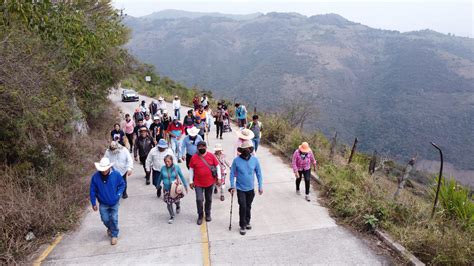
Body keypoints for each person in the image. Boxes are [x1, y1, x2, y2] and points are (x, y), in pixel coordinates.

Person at [229, 140, 263, 236]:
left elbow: (259, 174)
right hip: (240, 188)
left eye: (248, 149)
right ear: (241, 150)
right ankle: (242, 225)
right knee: (243, 206)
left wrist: (260, 186)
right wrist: (232, 185)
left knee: (248, 206)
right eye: (244, 149)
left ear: (250, 149)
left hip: (251, 188)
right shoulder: (236, 161)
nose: (246, 150)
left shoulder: (255, 160)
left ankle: (247, 221)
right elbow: (232, 174)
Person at [90, 157, 125, 245]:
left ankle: (114, 235)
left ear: (109, 167)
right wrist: (93, 203)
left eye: (105, 169)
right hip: (103, 203)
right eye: (102, 170)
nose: (104, 171)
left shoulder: (116, 175)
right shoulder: (95, 177)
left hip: (114, 202)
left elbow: (122, 184)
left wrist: (118, 194)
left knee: (114, 218)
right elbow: (92, 190)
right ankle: (111, 228)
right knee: (105, 219)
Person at [189, 141, 221, 225]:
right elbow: (191, 169)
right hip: (198, 183)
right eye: (200, 148)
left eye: (203, 147)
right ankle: (200, 215)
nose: (201, 149)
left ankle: (208, 214)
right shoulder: (194, 157)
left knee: (209, 199)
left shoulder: (211, 156)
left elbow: (217, 166)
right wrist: (190, 181)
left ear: (206, 147)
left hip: (210, 182)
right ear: (197, 148)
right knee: (199, 199)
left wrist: (219, 178)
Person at [157, 155, 189, 224]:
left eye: (168, 161)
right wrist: (158, 185)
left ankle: (178, 206)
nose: (167, 163)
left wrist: (186, 186)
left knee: (176, 201)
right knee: (169, 203)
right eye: (165, 162)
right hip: (166, 189)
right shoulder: (163, 168)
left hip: (174, 189)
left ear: (172, 161)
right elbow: (160, 177)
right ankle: (172, 215)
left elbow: (182, 177)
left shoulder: (176, 168)